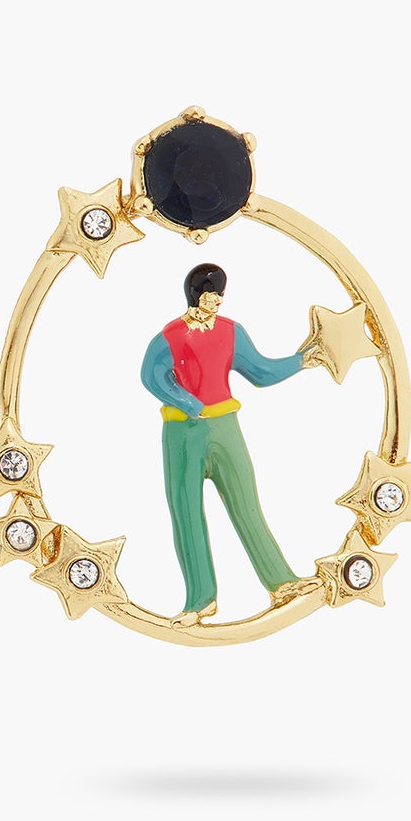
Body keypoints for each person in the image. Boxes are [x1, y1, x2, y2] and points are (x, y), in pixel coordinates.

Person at [140, 264, 320, 626]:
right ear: (195, 295)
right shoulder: (171, 335)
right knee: (187, 512)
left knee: (247, 505)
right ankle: (200, 600)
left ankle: (281, 582)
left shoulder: (231, 331)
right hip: (183, 433)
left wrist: (301, 361)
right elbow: (151, 376)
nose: (216, 301)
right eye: (211, 295)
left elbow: (261, 372)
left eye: (220, 295)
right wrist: (185, 401)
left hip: (225, 427)